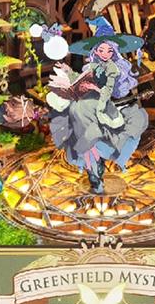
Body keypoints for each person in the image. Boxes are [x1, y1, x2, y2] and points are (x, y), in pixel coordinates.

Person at [47, 35, 148, 197]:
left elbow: (109, 90)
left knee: (97, 123)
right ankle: (94, 174)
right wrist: (69, 73)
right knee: (77, 113)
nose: (105, 54)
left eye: (109, 51)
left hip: (107, 105)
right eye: (101, 50)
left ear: (114, 52)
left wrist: (98, 91)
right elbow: (81, 81)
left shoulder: (114, 68)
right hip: (89, 106)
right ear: (95, 51)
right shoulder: (92, 66)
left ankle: (99, 163)